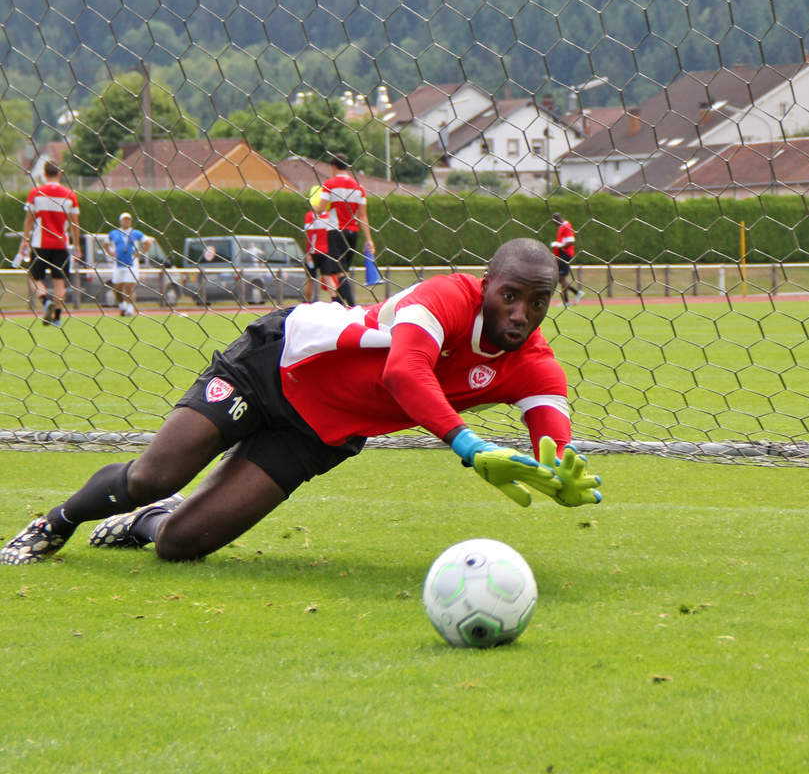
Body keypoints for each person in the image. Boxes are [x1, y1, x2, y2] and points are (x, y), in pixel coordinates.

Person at [0, 238, 601, 566]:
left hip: (316, 437)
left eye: (537, 301)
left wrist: (560, 462)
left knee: (182, 546)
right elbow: (403, 371)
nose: (521, 313)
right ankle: (54, 524)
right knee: (154, 474)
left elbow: (549, 421)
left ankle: (145, 523)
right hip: (275, 365)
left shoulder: (535, 362)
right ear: (486, 285)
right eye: (509, 295)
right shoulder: (446, 298)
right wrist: (467, 444)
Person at [18, 161, 80, 327]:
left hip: (40, 244)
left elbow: (29, 219)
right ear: (60, 174)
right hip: (61, 245)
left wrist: (24, 240)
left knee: (34, 278)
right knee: (59, 282)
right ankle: (58, 318)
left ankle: (45, 302)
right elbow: (75, 225)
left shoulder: (36, 193)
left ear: (45, 175)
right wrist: (78, 248)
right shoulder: (70, 195)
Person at [316, 154, 375, 307]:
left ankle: (351, 305)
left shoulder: (330, 184)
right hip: (352, 232)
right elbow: (362, 215)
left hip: (336, 231)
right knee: (342, 271)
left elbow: (321, 207)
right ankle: (342, 303)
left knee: (338, 271)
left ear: (334, 167)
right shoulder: (359, 188)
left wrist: (315, 207)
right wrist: (369, 240)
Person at [103, 212, 152, 316]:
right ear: (121, 221)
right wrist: (111, 253)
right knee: (117, 289)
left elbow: (148, 242)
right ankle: (123, 307)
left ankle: (130, 309)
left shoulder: (135, 233)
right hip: (118, 264)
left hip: (131, 264)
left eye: (128, 220)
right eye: (124, 220)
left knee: (129, 287)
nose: (126, 221)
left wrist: (140, 253)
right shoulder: (114, 233)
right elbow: (105, 243)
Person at [302, 186, 339, 302]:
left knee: (310, 279)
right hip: (326, 252)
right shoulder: (329, 216)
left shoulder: (310, 215)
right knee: (328, 277)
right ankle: (335, 300)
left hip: (313, 251)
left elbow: (309, 234)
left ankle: (306, 302)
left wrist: (308, 252)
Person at [551, 213, 582, 306]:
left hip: (566, 254)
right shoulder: (561, 227)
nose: (554, 225)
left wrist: (559, 245)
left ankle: (568, 301)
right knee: (560, 279)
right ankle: (574, 295)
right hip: (562, 254)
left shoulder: (567, 226)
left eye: (554, 222)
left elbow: (571, 240)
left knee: (561, 278)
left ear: (558, 219)